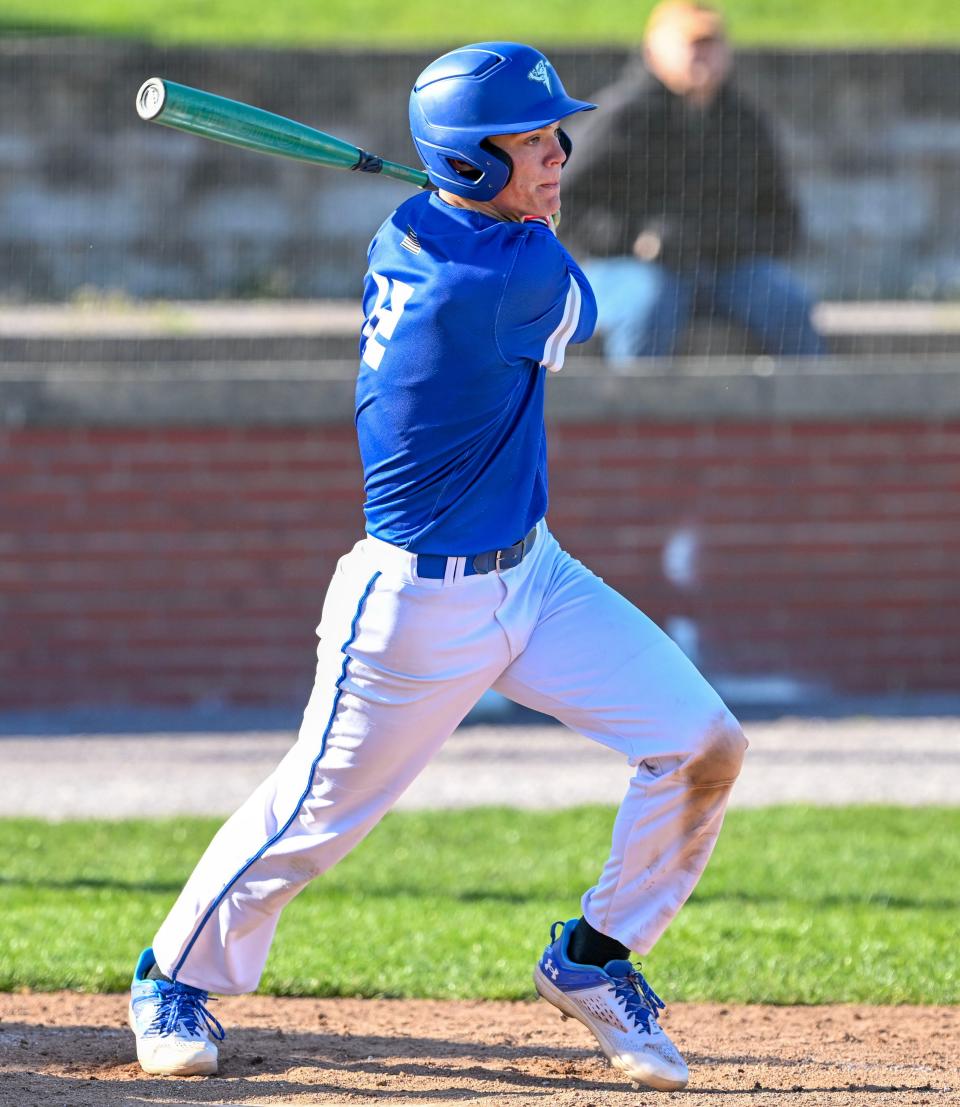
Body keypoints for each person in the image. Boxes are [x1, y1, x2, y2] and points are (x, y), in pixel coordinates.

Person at [127, 41, 747, 1093]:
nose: (560, 151)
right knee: (310, 823)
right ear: (466, 163)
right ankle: (168, 977)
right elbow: (581, 314)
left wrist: (492, 196)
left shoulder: (410, 228)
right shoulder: (515, 277)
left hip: (534, 578)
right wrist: (520, 219)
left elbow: (499, 234)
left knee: (701, 743)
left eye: (557, 132)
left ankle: (593, 961)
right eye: (535, 139)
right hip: (413, 607)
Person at [562, 0, 826, 361]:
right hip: (621, 267)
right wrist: (636, 239)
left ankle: (801, 414)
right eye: (690, 44)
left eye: (711, 44)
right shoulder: (621, 118)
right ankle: (638, 415)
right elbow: (558, 199)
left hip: (723, 270)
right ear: (654, 50)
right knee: (650, 305)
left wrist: (726, 238)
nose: (702, 55)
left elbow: (783, 219)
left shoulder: (745, 123)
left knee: (787, 305)